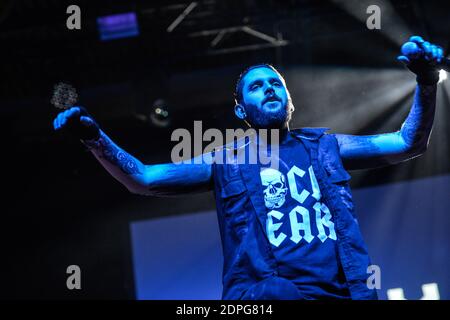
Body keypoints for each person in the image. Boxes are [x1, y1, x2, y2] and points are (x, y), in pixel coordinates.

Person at [53, 36, 442, 300]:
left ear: (290, 102)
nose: (269, 88)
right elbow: (144, 179)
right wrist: (94, 138)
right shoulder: (227, 160)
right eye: (257, 87)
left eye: (276, 83)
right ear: (241, 111)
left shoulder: (326, 146)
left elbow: (409, 143)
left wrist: (426, 82)